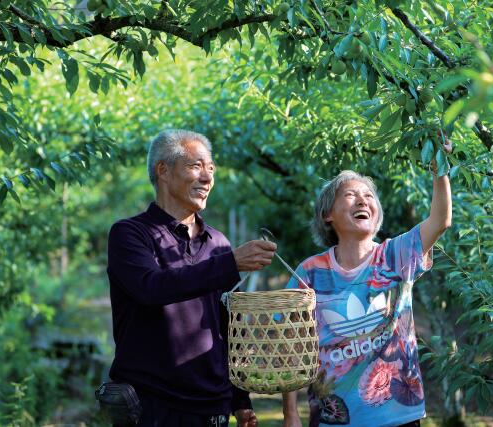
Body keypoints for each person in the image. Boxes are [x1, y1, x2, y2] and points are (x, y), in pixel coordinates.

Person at [106, 129, 276, 427]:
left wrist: (240, 400)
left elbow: (227, 329)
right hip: (150, 403)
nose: (208, 178)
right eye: (196, 166)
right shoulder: (131, 234)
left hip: (212, 405)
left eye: (210, 168)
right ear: (163, 170)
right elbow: (151, 288)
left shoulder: (218, 244)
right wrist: (230, 263)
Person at [282, 141, 452, 427]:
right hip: (333, 418)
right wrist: (290, 413)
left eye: (369, 196)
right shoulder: (310, 273)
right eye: (351, 195)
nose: (363, 200)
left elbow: (440, 221)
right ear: (328, 214)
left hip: (398, 416)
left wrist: (440, 170)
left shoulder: (394, 256)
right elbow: (290, 344)